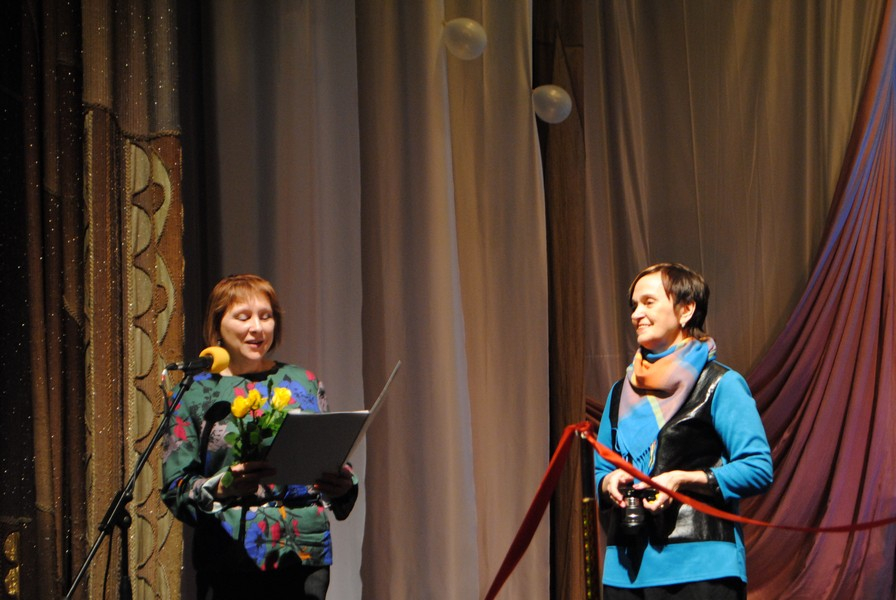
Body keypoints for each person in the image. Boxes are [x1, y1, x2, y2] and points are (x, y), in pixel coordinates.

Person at [162, 274, 357, 599]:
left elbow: (330, 455)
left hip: (302, 552)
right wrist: (222, 486)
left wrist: (344, 484)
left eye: (266, 317)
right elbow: (176, 488)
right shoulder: (194, 393)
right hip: (228, 558)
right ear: (217, 324)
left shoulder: (302, 382)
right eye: (244, 317)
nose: (257, 328)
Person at [594, 263, 773, 600]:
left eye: (648, 302)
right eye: (634, 305)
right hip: (626, 571)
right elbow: (600, 470)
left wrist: (682, 479)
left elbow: (758, 468)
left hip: (702, 568)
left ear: (686, 310)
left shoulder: (721, 384)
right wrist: (608, 482)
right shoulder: (620, 393)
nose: (636, 314)